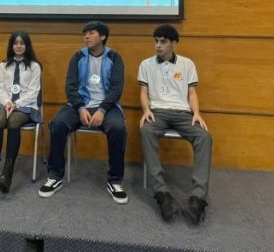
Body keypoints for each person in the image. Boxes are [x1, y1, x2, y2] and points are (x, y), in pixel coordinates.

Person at [39, 20, 128, 203]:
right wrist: (80, 108)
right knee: (57, 123)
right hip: (80, 104)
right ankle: (55, 176)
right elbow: (70, 86)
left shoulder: (114, 57)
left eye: (91, 33)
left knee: (118, 128)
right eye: (85, 33)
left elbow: (117, 88)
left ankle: (115, 181)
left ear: (103, 36)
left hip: (107, 106)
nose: (86, 36)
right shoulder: (78, 56)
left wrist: (102, 109)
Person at [138, 24, 212, 224]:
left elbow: (192, 93)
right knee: (146, 131)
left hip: (183, 113)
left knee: (204, 136)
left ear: (174, 43)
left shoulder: (187, 64)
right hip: (157, 112)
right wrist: (146, 110)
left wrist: (197, 113)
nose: (157, 45)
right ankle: (161, 193)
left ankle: (198, 198)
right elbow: (144, 92)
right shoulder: (146, 64)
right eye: (156, 41)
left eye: (162, 42)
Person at [0, 30, 42, 194]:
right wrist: (7, 102)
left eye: (22, 43)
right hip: (4, 103)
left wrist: (15, 104)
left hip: (25, 106)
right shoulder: (3, 65)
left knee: (13, 121)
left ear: (27, 46)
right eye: (15, 43)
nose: (19, 46)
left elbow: (33, 92)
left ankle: (7, 174)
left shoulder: (34, 66)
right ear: (11, 45)